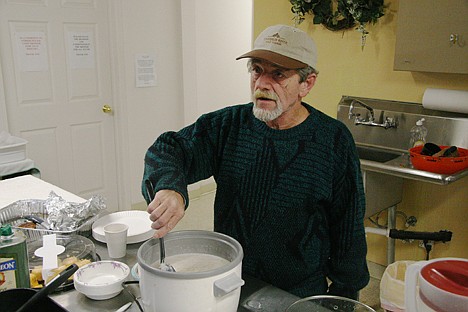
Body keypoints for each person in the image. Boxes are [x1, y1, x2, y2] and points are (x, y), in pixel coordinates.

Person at [142, 24, 369, 299]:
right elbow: (169, 148)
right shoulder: (228, 126)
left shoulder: (333, 141)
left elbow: (348, 228)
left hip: (299, 292)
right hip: (231, 280)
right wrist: (170, 187)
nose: (262, 83)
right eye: (257, 70)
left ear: (306, 84)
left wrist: (345, 295)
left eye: (279, 74)